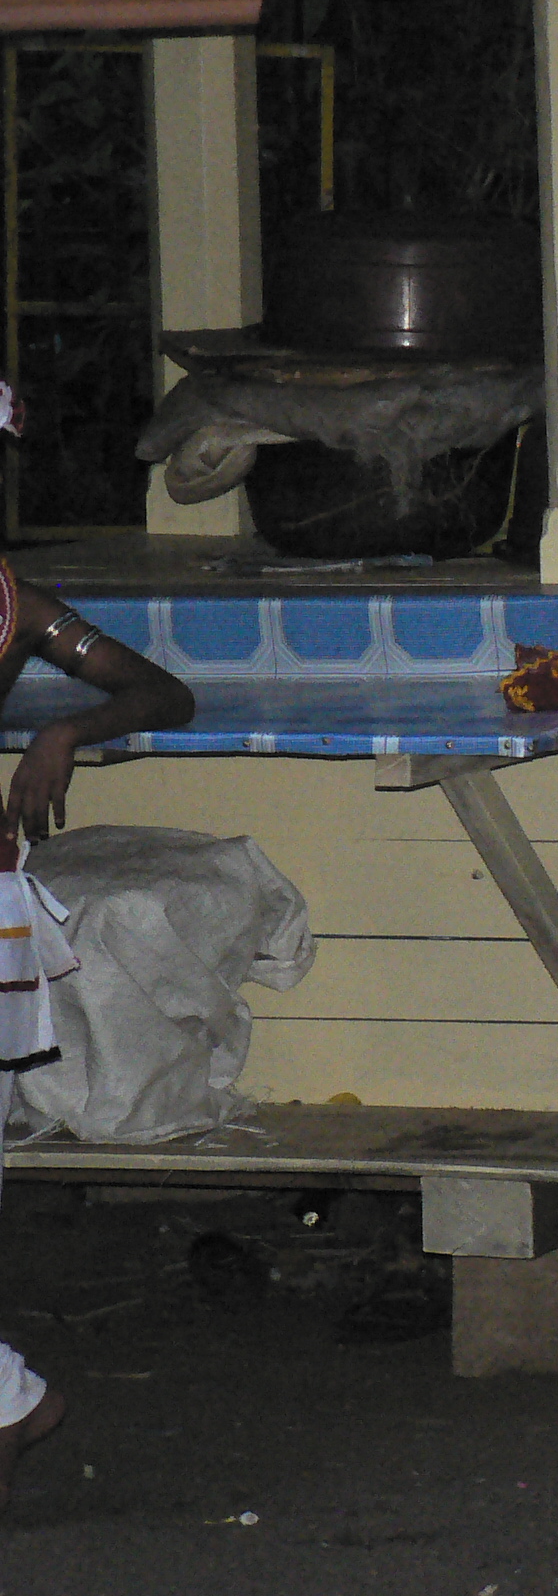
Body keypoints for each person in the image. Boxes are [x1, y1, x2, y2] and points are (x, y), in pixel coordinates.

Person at [0, 415, 198, 1505]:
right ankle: (11, 1403)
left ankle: (12, 1405)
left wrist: (66, 731)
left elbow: (165, 691)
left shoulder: (15, 605)